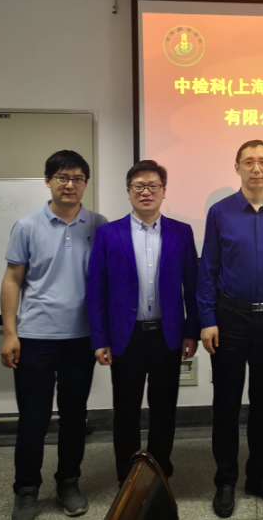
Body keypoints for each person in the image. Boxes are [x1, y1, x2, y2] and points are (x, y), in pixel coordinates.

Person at [0, 150, 107, 520]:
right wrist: (10, 334)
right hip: (35, 338)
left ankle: (68, 482)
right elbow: (12, 280)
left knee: (75, 417)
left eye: (77, 178)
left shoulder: (99, 225)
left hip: (81, 338)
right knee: (34, 418)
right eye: (62, 177)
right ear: (48, 181)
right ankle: (26, 489)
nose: (70, 185)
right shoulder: (27, 226)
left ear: (86, 184)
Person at [198, 140, 263, 518]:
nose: (256, 168)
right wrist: (207, 319)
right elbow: (208, 268)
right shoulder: (220, 211)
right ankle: (225, 480)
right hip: (230, 317)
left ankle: (258, 475)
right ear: (237, 167)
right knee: (226, 403)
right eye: (248, 162)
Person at [87, 160, 199, 486]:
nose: (146, 192)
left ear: (164, 191)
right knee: (126, 411)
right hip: (126, 337)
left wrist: (191, 331)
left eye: (153, 186)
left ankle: (159, 470)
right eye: (139, 186)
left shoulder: (181, 232)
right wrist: (100, 339)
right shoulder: (109, 234)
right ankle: (129, 477)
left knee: (164, 409)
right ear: (128, 191)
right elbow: (96, 290)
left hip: (167, 335)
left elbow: (191, 287)